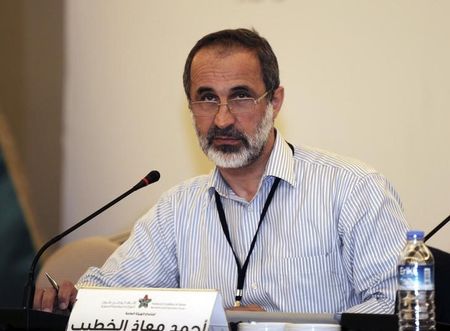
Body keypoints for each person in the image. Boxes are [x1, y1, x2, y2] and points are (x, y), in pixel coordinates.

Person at [34, 28, 408, 314]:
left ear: (274, 102)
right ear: (190, 106)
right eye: (207, 98)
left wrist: (283, 326)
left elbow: (395, 307)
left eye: (241, 96)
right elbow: (113, 292)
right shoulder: (178, 208)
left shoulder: (354, 189)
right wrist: (74, 299)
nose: (223, 119)